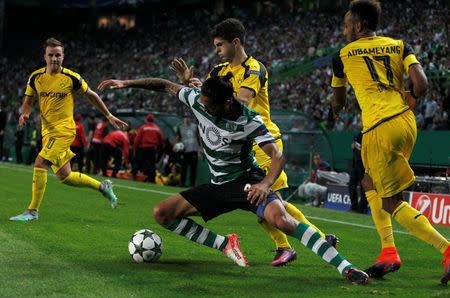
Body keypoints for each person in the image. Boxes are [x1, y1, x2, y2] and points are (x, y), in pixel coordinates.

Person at [98, 73, 369, 284]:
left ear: (227, 103)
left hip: (247, 183)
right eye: (200, 102)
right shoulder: (199, 101)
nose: (201, 107)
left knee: (283, 220)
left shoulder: (250, 120)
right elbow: (166, 86)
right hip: (217, 186)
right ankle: (226, 243)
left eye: (208, 105)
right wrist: (126, 83)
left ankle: (346, 268)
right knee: (161, 214)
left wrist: (264, 185)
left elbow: (277, 156)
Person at [171, 18, 336, 267]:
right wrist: (189, 84)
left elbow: (243, 101)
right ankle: (320, 239)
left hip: (263, 143)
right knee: (272, 204)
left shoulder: (255, 69)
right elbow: (208, 98)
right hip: (237, 144)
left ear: (235, 42)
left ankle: (288, 247)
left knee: (267, 203)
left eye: (220, 45)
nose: (216, 50)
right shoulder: (218, 71)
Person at [330, 0, 450, 284]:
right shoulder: (398, 45)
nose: (345, 29)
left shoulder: (342, 56)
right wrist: (413, 97)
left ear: (358, 26)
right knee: (369, 183)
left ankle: (446, 249)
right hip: (406, 122)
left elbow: (340, 99)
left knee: (390, 201)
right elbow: (420, 84)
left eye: (347, 25)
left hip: (378, 127)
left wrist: (335, 109)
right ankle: (388, 251)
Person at [9, 37, 127, 222]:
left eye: (58, 55)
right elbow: (29, 101)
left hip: (64, 130)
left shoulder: (72, 78)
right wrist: (25, 114)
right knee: (65, 176)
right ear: (45, 56)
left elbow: (92, 96)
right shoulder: (36, 77)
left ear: (63, 57)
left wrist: (109, 115)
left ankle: (32, 211)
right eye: (51, 55)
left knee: (40, 163)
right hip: (47, 132)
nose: (54, 58)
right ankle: (103, 187)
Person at [132, 114, 163, 182]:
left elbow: (137, 139)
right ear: (153, 120)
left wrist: (135, 149)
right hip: (152, 149)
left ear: (146, 120)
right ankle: (152, 179)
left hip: (143, 148)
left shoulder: (143, 127)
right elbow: (161, 141)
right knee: (151, 165)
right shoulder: (157, 128)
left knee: (138, 162)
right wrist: (160, 148)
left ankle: (134, 176)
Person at [175, 111, 201, 187]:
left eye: (188, 117)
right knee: (183, 169)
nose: (187, 119)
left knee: (193, 169)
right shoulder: (180, 127)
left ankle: (192, 185)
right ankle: (182, 183)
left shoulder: (195, 127)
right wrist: (175, 146)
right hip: (184, 151)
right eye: (185, 117)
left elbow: (199, 137)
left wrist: (201, 148)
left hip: (194, 150)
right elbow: (177, 137)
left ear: (190, 119)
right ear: (183, 119)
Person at [349, 132, 367, 213]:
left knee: (363, 187)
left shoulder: (370, 134)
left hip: (364, 165)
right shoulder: (359, 134)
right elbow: (353, 146)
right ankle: (354, 206)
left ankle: (362, 208)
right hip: (355, 164)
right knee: (352, 185)